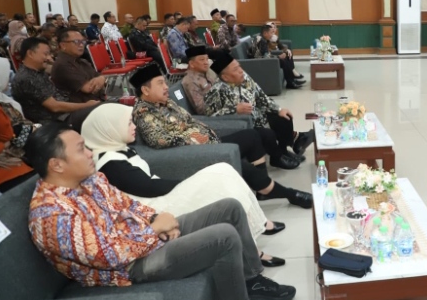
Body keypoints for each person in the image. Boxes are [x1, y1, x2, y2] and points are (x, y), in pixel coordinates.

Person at [24, 122, 295, 300]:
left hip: (145, 239)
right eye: (81, 149)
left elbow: (130, 206)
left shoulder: (92, 180)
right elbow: (109, 256)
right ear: (56, 165)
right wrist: (154, 230)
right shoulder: (50, 215)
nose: (90, 152)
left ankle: (251, 280)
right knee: (223, 236)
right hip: (128, 268)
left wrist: (158, 220)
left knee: (229, 208)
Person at [81, 104, 286, 267]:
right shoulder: (110, 163)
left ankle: (257, 226)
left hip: (157, 198)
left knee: (224, 171)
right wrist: (189, 183)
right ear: (108, 130)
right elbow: (149, 188)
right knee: (219, 177)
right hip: (155, 210)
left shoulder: (118, 149)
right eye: (128, 123)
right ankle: (254, 248)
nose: (134, 126)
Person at [129, 63, 311, 204]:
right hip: (198, 151)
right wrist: (193, 138)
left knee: (253, 136)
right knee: (242, 163)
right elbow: (158, 140)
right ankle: (286, 194)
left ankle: (263, 188)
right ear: (145, 90)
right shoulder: (144, 113)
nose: (166, 86)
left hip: (209, 142)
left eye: (164, 82)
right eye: (160, 83)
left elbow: (190, 120)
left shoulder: (166, 103)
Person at [204, 52, 315, 162]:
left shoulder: (245, 78)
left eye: (239, 66)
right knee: (268, 134)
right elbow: (211, 116)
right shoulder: (216, 91)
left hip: (259, 116)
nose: (241, 71)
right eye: (235, 70)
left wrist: (279, 109)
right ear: (225, 77)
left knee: (285, 118)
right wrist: (234, 110)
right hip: (245, 125)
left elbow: (261, 96)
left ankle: (284, 151)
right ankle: (278, 158)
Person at [11, 37, 100, 125]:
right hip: (56, 121)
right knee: (99, 111)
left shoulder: (37, 71)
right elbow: (55, 107)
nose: (49, 58)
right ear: (30, 54)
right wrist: (87, 105)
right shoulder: (27, 78)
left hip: (64, 113)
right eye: (46, 54)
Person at [0, 56, 37, 191]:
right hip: (5, 165)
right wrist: (2, 145)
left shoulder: (2, 99)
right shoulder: (0, 103)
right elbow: (7, 134)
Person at [51, 28, 106, 103]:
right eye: (76, 42)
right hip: (83, 106)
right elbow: (88, 88)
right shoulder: (62, 64)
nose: (81, 45)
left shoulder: (82, 61)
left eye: (83, 41)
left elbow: (99, 76)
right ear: (63, 45)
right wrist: (100, 79)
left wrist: (101, 78)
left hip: (98, 101)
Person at [249, 23, 304, 89]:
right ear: (265, 33)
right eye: (270, 33)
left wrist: (278, 56)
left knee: (285, 57)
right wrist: (278, 57)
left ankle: (292, 81)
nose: (272, 35)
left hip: (261, 60)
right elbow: (265, 57)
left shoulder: (261, 38)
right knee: (283, 61)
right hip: (258, 62)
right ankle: (290, 83)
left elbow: (266, 54)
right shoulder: (262, 41)